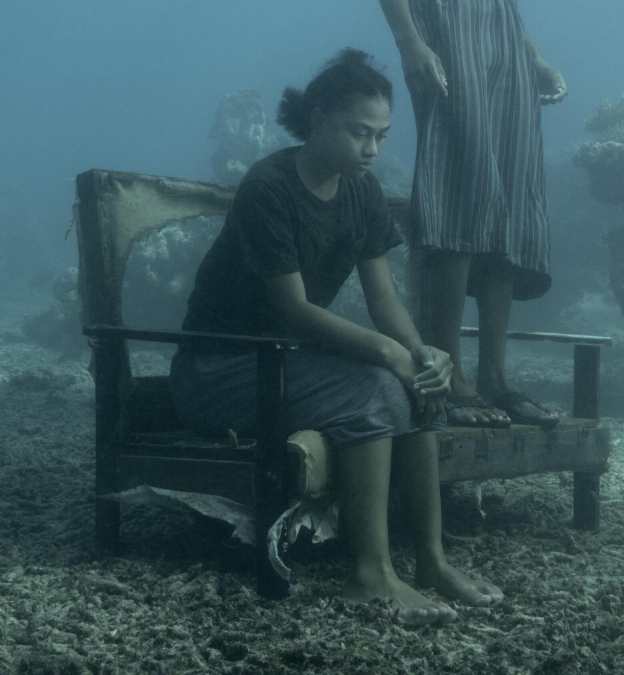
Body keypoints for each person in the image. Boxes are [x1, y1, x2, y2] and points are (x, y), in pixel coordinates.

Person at [169, 49, 503, 626]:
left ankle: (430, 559)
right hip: (218, 372)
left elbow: (384, 300)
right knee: (373, 389)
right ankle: (370, 574)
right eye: (358, 132)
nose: (371, 149)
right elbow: (295, 310)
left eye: (381, 135)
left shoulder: (361, 190)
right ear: (318, 116)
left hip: (285, 364)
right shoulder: (269, 187)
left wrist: (422, 355)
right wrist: (388, 353)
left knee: (420, 384)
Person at [365, 0, 567, 429]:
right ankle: (445, 374)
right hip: (443, 10)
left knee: (509, 188)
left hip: (500, 23)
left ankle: (497, 376)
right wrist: (410, 42)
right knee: (459, 176)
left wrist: (535, 55)